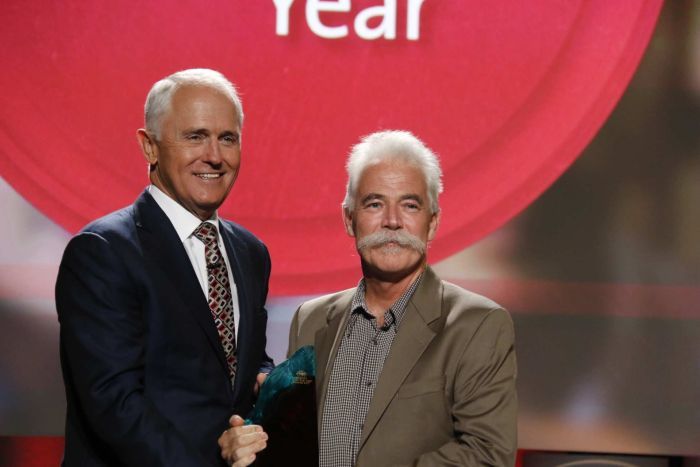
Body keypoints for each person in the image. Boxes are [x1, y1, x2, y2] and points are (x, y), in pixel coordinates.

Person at [220, 130, 517, 466]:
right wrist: (249, 444)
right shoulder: (311, 318)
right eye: (375, 204)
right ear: (350, 219)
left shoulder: (478, 325)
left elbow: (488, 453)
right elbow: (295, 445)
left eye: (409, 205)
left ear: (432, 223)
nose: (392, 221)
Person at [55, 68, 273, 466]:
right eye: (195, 136)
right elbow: (114, 404)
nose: (214, 155)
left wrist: (267, 382)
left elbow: (238, 363)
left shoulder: (250, 251)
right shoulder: (103, 251)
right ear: (149, 146)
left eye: (228, 138)